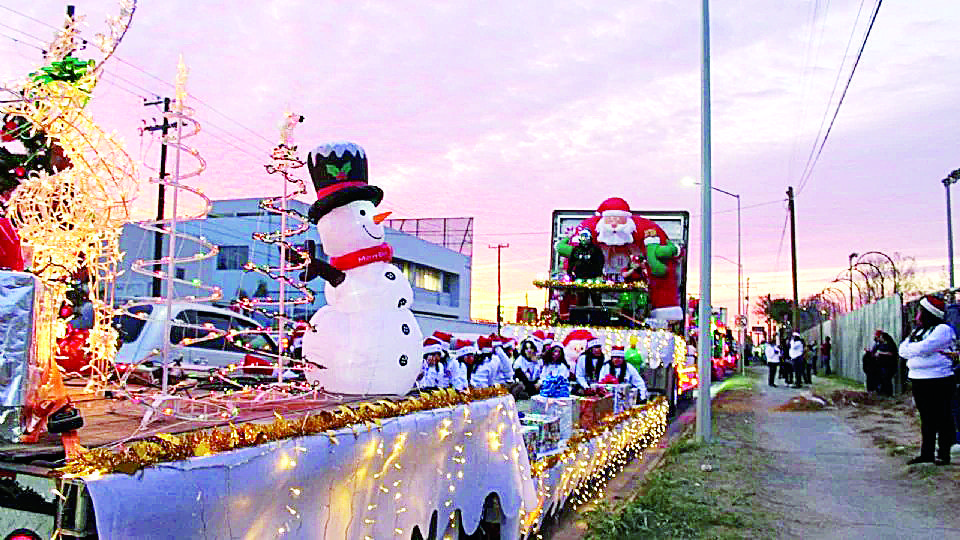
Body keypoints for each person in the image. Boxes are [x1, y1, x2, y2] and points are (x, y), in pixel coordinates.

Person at [899, 295, 956, 465]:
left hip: (939, 379)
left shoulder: (943, 329)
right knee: (926, 418)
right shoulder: (918, 331)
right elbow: (903, 350)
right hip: (918, 379)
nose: (916, 315)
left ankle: (944, 453)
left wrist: (915, 350)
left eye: (919, 312)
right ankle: (926, 453)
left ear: (927, 313)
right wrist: (917, 350)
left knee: (942, 416)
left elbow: (925, 347)